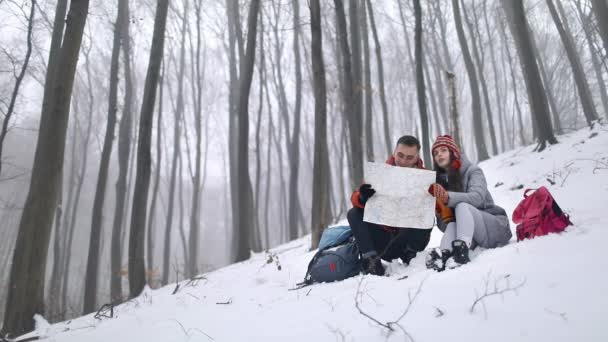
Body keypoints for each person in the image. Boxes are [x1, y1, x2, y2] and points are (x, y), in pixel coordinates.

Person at [347, 135, 432, 276]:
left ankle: (411, 255)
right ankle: (372, 261)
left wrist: (439, 193)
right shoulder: (381, 173)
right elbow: (355, 198)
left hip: (411, 240)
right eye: (400, 155)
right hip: (385, 240)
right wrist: (362, 197)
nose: (404, 161)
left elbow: (438, 212)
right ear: (394, 152)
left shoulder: (425, 177)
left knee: (426, 207)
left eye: (409, 158)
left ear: (417, 158)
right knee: (353, 213)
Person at [426, 135, 512, 271]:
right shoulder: (439, 182)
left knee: (462, 206)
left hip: (495, 227)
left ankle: (461, 252)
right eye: (436, 153)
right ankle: (443, 255)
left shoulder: (473, 171)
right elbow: (446, 227)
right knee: (453, 223)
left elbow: (478, 198)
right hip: (472, 235)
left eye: (443, 150)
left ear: (453, 153)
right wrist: (442, 212)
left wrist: (448, 198)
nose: (439, 155)